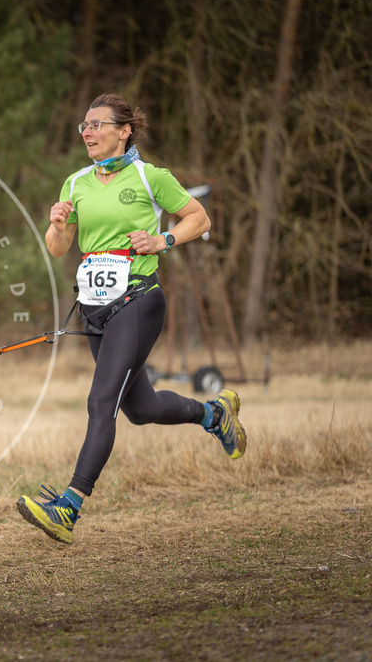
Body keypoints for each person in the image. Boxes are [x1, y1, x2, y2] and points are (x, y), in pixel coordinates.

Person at [16, 93, 247, 545]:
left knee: (101, 402)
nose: (88, 132)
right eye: (84, 125)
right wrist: (59, 225)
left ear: (124, 131)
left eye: (98, 125)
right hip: (96, 309)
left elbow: (197, 219)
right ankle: (214, 413)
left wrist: (164, 240)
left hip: (139, 301)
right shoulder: (76, 182)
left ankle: (68, 507)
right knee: (139, 409)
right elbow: (58, 247)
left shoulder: (150, 176)